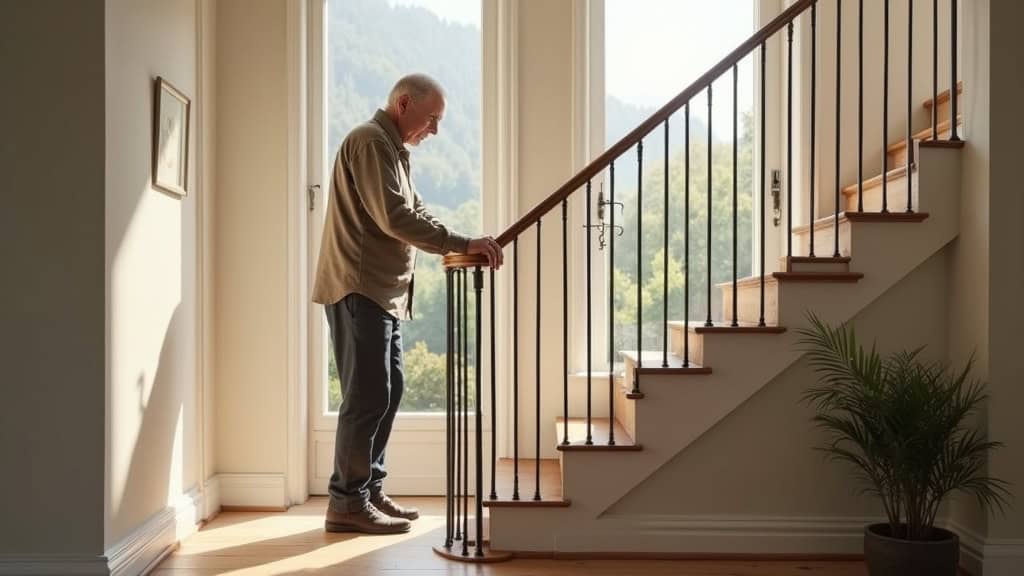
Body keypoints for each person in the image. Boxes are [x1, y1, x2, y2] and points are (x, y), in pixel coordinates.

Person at [312, 73, 503, 534]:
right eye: (431, 118)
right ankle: (346, 501)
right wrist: (459, 242)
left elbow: (415, 211)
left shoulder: (395, 151)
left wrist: (462, 241)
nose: (434, 130)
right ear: (403, 103)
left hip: (384, 293)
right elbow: (394, 217)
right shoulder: (370, 142)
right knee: (367, 396)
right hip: (360, 287)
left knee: (389, 391)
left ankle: (368, 489)